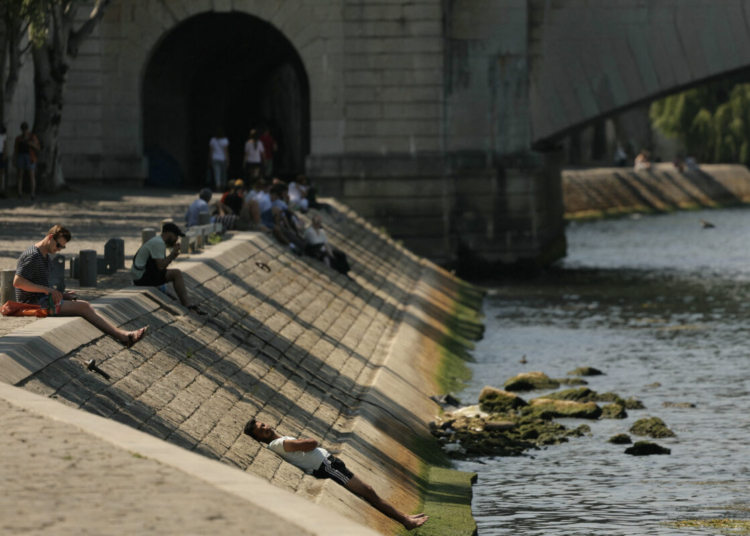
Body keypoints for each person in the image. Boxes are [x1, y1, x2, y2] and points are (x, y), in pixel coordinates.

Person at [243, 419, 428, 530]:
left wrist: (303, 442)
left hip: (329, 463)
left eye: (263, 424)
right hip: (326, 467)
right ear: (259, 438)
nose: (265, 428)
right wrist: (304, 441)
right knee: (368, 492)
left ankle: (405, 517)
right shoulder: (277, 444)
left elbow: (306, 445)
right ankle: (405, 521)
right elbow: (312, 443)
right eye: (260, 430)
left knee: (369, 492)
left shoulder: (279, 440)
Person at [13, 225, 148, 347]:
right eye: (58, 245)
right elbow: (18, 282)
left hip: (42, 299)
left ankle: (124, 335)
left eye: (62, 247)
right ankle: (124, 336)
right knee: (83, 306)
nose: (59, 249)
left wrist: (61, 295)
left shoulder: (45, 256)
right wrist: (47, 290)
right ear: (49, 237)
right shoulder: (33, 256)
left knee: (84, 305)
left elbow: (39, 284)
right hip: (31, 304)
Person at [131, 222, 206, 315]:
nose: (176, 239)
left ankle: (187, 304)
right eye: (175, 236)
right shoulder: (158, 243)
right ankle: (187, 305)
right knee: (176, 273)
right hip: (141, 278)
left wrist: (172, 255)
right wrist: (172, 254)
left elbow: (160, 267)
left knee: (175, 273)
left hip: (141, 275)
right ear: (168, 234)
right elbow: (161, 266)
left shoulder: (158, 241)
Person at [14, 122, 40, 199]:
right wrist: (14, 158)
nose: (25, 131)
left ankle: (32, 193)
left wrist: (31, 143)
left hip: (30, 156)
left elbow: (37, 147)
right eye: (23, 130)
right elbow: (16, 149)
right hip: (21, 156)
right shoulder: (19, 138)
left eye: (25, 129)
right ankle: (20, 193)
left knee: (31, 175)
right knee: (20, 175)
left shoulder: (32, 137)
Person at [0, 124, 7, 194]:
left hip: (1, 153)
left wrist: (4, 154)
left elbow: (4, 144)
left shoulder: (3, 134)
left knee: (2, 172)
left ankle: (1, 189)